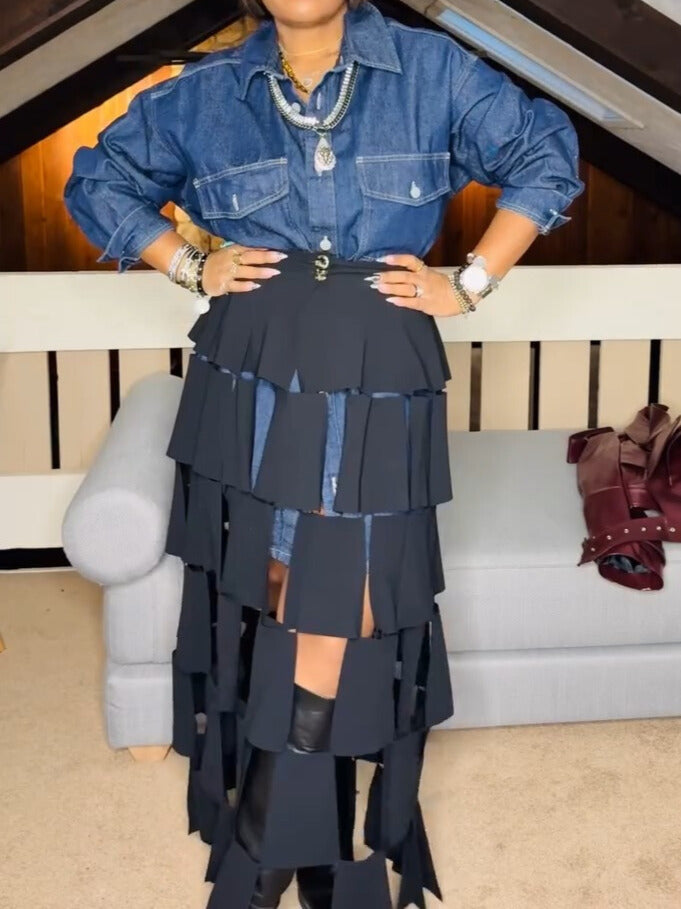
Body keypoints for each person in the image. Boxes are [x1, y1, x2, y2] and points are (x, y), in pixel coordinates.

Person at [63, 1, 584, 907]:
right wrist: (188, 264)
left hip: (376, 356)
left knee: (346, 579)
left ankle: (270, 833)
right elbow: (98, 180)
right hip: (253, 359)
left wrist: (469, 283)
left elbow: (546, 154)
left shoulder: (433, 70)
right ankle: (304, 821)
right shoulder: (204, 90)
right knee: (276, 574)